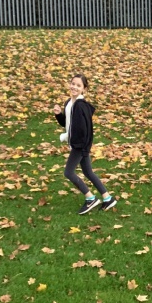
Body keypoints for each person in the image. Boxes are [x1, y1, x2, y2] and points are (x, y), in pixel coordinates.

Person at [53, 74, 117, 215]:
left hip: (80, 145)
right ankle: (108, 198)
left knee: (68, 172)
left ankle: (90, 199)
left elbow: (85, 130)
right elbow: (67, 124)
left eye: (78, 85)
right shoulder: (69, 103)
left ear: (84, 89)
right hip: (78, 144)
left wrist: (81, 147)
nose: (74, 87)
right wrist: (58, 114)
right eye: (73, 84)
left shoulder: (81, 106)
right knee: (88, 172)